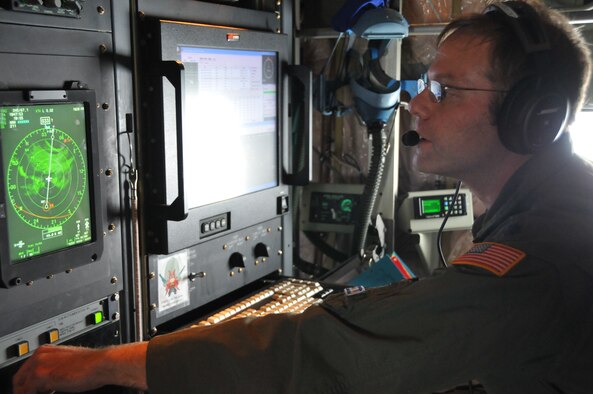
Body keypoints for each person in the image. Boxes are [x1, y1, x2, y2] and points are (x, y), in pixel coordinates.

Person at [13, 0, 593, 393]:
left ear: (530, 118)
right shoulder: (554, 212)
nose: (416, 104)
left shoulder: (540, 262)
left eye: (443, 90)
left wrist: (110, 362)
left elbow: (329, 352)